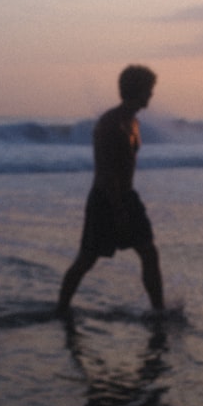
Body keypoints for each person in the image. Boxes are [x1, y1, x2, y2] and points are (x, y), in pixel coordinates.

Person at [56, 65, 164, 316]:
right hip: (105, 200)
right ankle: (61, 308)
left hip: (128, 196)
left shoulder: (133, 121)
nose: (151, 95)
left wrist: (126, 204)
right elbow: (106, 173)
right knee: (87, 259)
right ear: (138, 91)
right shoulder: (110, 124)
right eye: (149, 90)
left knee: (149, 252)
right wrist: (117, 210)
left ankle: (159, 311)